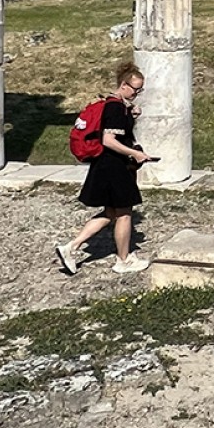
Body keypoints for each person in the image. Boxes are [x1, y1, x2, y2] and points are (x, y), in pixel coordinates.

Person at [55, 63, 158, 275]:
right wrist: (135, 153)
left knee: (110, 212)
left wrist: (131, 115)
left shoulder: (119, 105)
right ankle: (123, 260)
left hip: (107, 165)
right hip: (114, 166)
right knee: (125, 213)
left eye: (140, 90)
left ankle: (71, 247)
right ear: (123, 84)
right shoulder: (114, 107)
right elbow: (109, 140)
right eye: (135, 89)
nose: (137, 93)